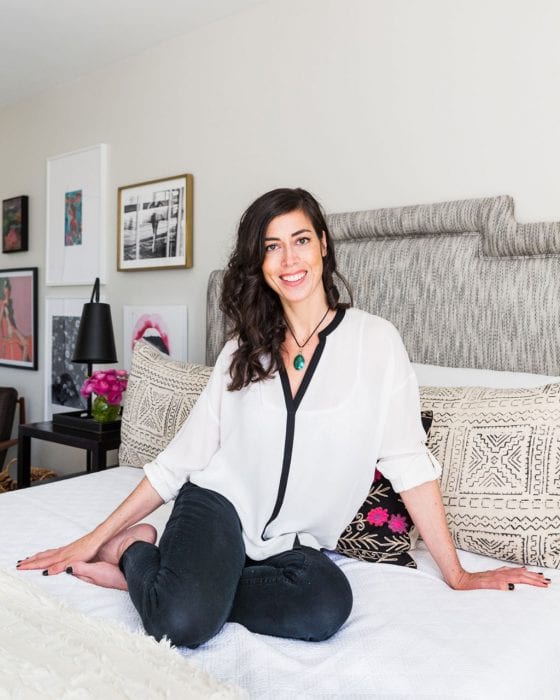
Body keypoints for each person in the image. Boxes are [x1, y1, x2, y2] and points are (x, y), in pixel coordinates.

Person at [18, 188, 549, 648]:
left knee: (323, 607)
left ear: (322, 244)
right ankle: (136, 551)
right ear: (260, 262)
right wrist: (87, 540)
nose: (288, 258)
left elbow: (410, 463)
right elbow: (179, 461)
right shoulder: (242, 351)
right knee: (181, 624)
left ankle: (183, 584)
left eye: (299, 240)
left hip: (294, 542)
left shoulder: (375, 343)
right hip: (216, 510)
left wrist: (457, 573)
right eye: (272, 246)